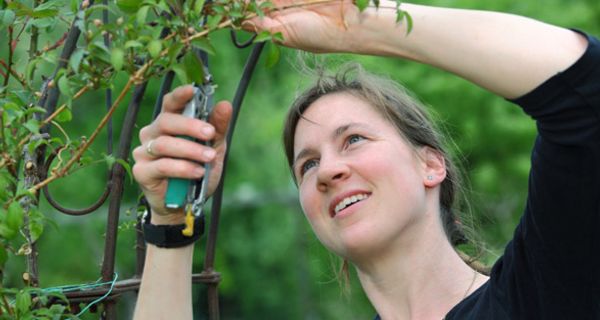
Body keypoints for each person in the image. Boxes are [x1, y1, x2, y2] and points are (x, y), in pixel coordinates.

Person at [132, 1, 600, 319]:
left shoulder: (539, 293)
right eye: (307, 164)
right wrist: (170, 222)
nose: (329, 171)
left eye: (354, 139)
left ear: (431, 166)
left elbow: (584, 86)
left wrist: (355, 21)